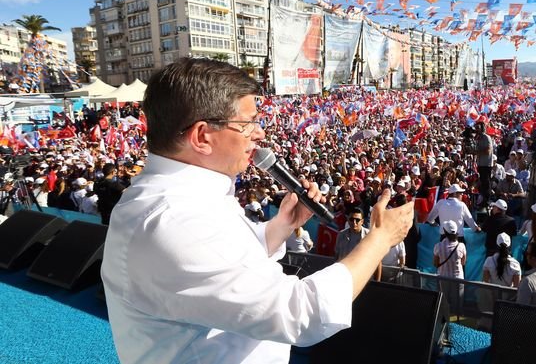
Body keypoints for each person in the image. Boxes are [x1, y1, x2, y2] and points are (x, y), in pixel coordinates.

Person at [101, 58, 413, 364]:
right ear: (201, 137)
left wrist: (282, 226)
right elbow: (300, 314)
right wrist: (380, 239)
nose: (259, 134)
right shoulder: (175, 220)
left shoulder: (185, 198)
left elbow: (224, 260)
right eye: (247, 123)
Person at [434, 220, 467, 314]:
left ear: (444, 232)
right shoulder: (461, 246)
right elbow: (463, 262)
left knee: (444, 302)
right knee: (458, 304)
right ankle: (457, 324)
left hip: (443, 277)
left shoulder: (438, 246)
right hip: (458, 279)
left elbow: (435, 264)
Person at [475, 121, 494, 208]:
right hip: (480, 164)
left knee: (486, 184)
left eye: (478, 128)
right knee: (481, 183)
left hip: (486, 165)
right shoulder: (478, 138)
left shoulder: (486, 137)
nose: (477, 130)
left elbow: (488, 151)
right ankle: (481, 200)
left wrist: (477, 152)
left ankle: (487, 201)